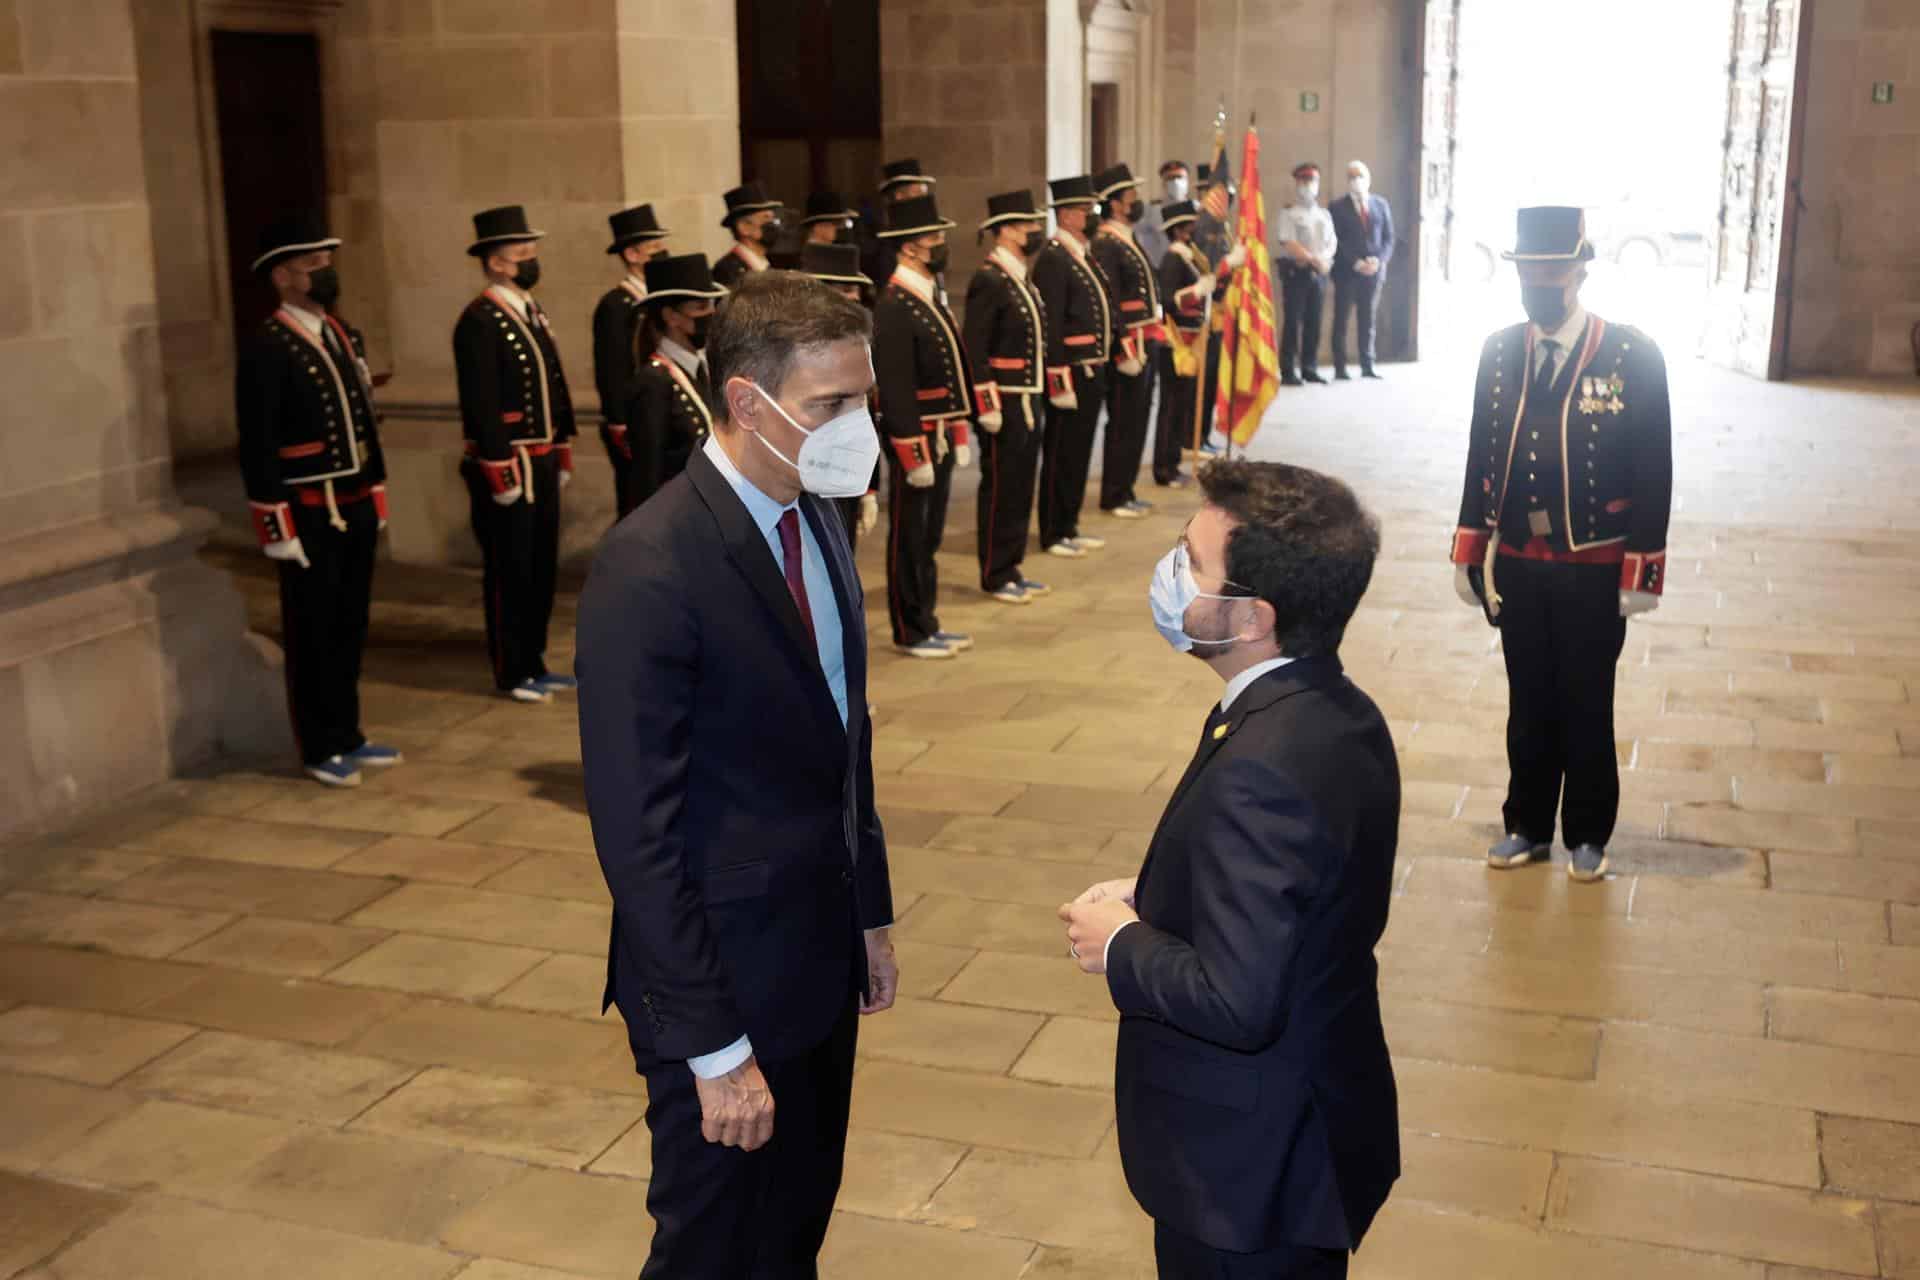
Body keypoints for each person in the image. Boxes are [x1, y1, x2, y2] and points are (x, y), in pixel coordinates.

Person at [577, 270, 898, 1280]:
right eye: (830, 406)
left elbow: (846, 735)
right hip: (720, 981)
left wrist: (870, 909)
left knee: (794, 1228)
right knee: (711, 1248)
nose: (856, 428)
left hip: (817, 953)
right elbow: (639, 832)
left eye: (864, 400)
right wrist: (714, 1046)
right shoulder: (651, 564)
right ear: (748, 404)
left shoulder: (818, 515)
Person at [1060, 459, 1400, 1279]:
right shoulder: (1332, 710)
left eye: (1191, 563)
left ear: (1252, 617)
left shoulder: (1264, 765)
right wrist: (1167, 895)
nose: (1170, 575)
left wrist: (1122, 942)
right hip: (1305, 1133)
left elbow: (1238, 1000)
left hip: (1245, 1176)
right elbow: (1296, 895)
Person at [1450, 206, 1672, 884]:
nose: (1539, 282)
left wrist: (1644, 568)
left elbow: (1654, 466)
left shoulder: (1632, 354)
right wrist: (1468, 544)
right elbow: (1480, 452)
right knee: (1528, 698)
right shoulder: (1498, 350)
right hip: (1518, 560)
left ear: (1580, 268)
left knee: (1585, 697)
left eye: (1551, 269)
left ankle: (1587, 832)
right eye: (1528, 270)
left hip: (1594, 566)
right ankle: (1525, 824)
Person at [236, 213, 400, 788]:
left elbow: (363, 422)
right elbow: (258, 440)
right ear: (283, 276)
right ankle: (318, 745)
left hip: (352, 497)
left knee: (350, 621)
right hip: (306, 506)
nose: (325, 273)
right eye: (313, 266)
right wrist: (274, 522)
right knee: (312, 628)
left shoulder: (340, 333)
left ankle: (348, 732)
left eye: (327, 263)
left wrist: (375, 489)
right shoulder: (268, 344)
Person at [453, 205, 577, 705]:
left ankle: (535, 660)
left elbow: (554, 383)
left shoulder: (530, 309)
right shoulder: (480, 320)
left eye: (532, 253)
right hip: (510, 463)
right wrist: (499, 466)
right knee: (511, 568)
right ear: (497, 263)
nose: (531, 261)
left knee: (541, 565)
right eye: (522, 255)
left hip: (542, 456)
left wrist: (562, 441)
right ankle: (511, 668)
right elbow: (481, 401)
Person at [872, 193, 975, 659]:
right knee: (910, 536)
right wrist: (912, 453)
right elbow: (895, 384)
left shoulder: (925, 295)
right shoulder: (896, 303)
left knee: (929, 536)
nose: (941, 245)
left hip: (938, 435)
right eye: (935, 238)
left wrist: (956, 429)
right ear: (911, 247)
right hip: (917, 439)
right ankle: (909, 629)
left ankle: (927, 620)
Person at [965, 190, 1052, 606]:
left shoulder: (1018, 275)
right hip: (1005, 399)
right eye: (1027, 225)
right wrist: (988, 404)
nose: (1035, 231)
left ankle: (1012, 565)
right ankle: (994, 572)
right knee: (1001, 487)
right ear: (1006, 231)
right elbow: (975, 347)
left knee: (1021, 485)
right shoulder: (989, 278)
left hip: (1028, 396)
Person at [1031, 174, 1113, 561]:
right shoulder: (1053, 258)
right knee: (1062, 452)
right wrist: (1058, 377)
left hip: (1091, 368)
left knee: (1079, 452)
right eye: (1086, 209)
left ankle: (1069, 524)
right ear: (1065, 215)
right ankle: (1053, 529)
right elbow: (1054, 324)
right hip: (1071, 372)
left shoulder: (1080, 253)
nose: (1091, 215)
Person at [620, 253, 724, 512]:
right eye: (700, 308)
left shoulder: (707, 368)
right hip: (680, 517)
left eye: (712, 305)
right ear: (671, 316)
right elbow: (647, 475)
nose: (712, 314)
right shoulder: (654, 382)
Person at [800, 240, 881, 551]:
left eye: (855, 290)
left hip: (846, 477)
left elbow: (867, 419)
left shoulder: (856, 348)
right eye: (846, 290)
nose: (855, 298)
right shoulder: (792, 353)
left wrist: (870, 487)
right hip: (808, 483)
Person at [1091, 163, 1162, 521]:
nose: (1137, 201)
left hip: (1144, 340)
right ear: (1115, 203)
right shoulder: (1106, 243)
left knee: (1137, 419)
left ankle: (1127, 488)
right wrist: (1121, 349)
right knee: (1123, 421)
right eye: (1131, 196)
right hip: (1128, 347)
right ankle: (1114, 493)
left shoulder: (1126, 237)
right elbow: (1111, 301)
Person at [593, 203, 672, 518]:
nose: (661, 253)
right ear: (632, 255)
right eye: (653, 248)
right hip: (634, 417)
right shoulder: (617, 305)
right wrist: (619, 423)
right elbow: (611, 369)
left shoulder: (655, 299)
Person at [1151, 200, 1213, 490]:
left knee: (1182, 405)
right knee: (1171, 406)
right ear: (1179, 230)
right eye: (1191, 225)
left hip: (1192, 340)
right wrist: (1195, 291)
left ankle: (1173, 462)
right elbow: (1166, 300)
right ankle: (1164, 467)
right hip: (1175, 342)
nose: (1195, 229)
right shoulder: (1173, 259)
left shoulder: (1190, 256)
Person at [1329, 161, 1394, 381]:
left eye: (1360, 176)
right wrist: (1356, 262)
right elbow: (1336, 240)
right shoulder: (1336, 207)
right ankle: (1340, 366)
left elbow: (1388, 238)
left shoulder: (1380, 204)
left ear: (1368, 179)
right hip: (1347, 272)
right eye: (1351, 177)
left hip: (1374, 273)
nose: (1356, 180)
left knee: (1367, 320)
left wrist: (1379, 261)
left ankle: (1368, 364)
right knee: (1341, 320)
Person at [1274, 163, 1335, 386]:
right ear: (1296, 184)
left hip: (1319, 273)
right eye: (1303, 182)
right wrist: (1312, 259)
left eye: (1311, 182)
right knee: (1293, 321)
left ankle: (1310, 367)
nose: (1307, 186)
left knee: (1314, 321)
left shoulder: (1324, 214)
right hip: (1297, 273)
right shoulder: (1289, 213)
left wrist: (1325, 259)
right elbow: (1287, 241)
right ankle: (1288, 369)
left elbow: (1332, 243)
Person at [1193, 162, 1240, 455]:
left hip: (1223, 312)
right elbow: (1206, 269)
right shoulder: (1202, 229)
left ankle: (1203, 435)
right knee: (1203, 379)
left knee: (1213, 381)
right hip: (1206, 314)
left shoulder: (1223, 229)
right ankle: (1194, 436)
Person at [712, 183, 782, 289]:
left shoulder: (764, 265)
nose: (773, 224)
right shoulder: (729, 268)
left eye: (773, 218)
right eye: (766, 218)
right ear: (744, 227)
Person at [1135, 159, 1190, 268]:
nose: (1175, 182)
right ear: (1163, 183)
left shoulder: (1197, 209)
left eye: (1180, 177)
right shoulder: (1151, 211)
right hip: (1161, 268)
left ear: (1187, 181)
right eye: (1170, 178)